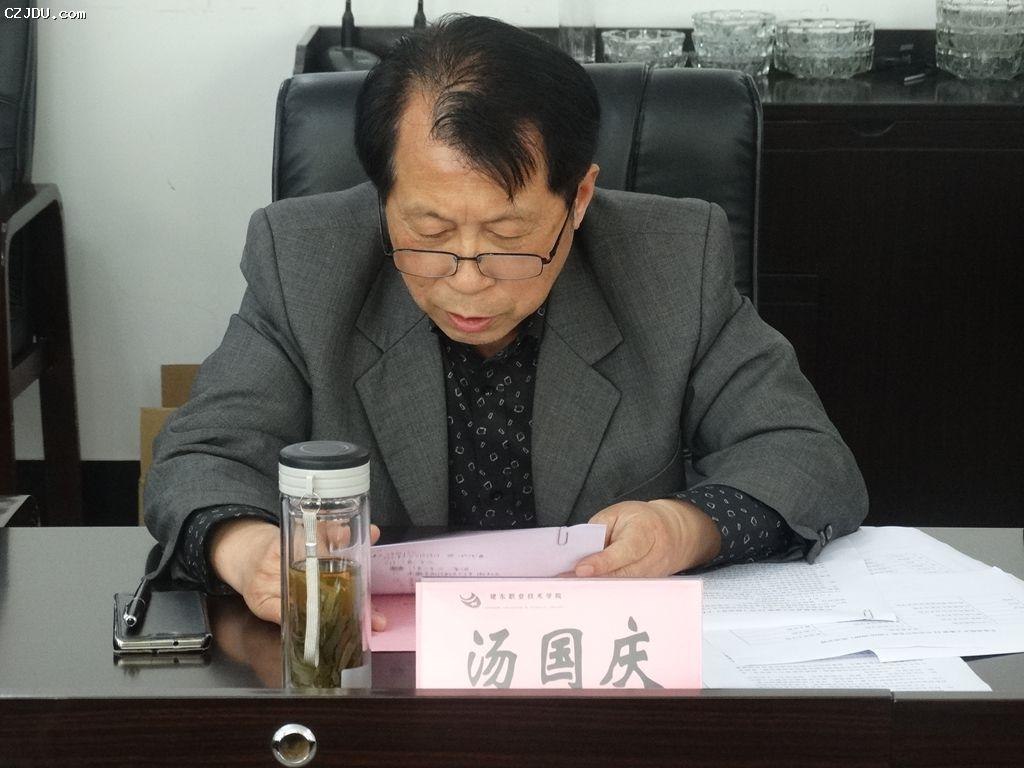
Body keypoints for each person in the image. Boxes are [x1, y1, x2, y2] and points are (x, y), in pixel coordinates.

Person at [145, 15, 867, 625]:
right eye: (428, 233)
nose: (467, 279)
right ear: (382, 196)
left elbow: (804, 455)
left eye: (509, 238)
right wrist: (247, 549)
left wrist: (689, 527)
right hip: (383, 672)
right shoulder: (305, 260)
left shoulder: (673, 260)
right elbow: (200, 457)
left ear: (579, 199)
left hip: (599, 668)